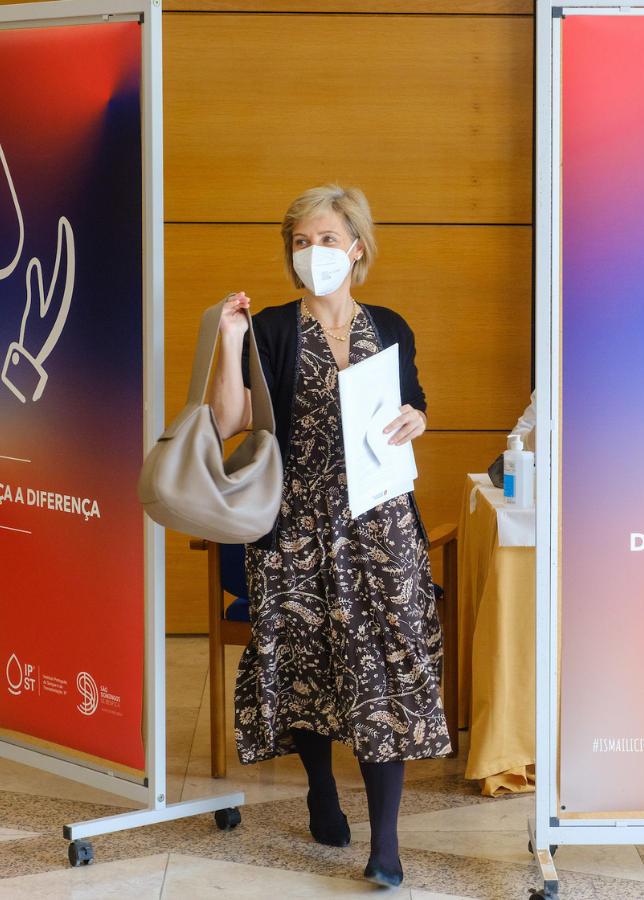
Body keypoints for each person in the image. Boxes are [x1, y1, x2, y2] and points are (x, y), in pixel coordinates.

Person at [205, 184, 451, 887]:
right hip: (296, 528)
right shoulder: (273, 330)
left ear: (358, 248)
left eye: (326, 240)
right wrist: (229, 345)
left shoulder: (392, 326)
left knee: (384, 672)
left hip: (382, 527)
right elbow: (228, 422)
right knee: (306, 664)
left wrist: (417, 420)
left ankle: (387, 845)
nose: (313, 253)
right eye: (300, 242)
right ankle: (319, 786)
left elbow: (415, 404)